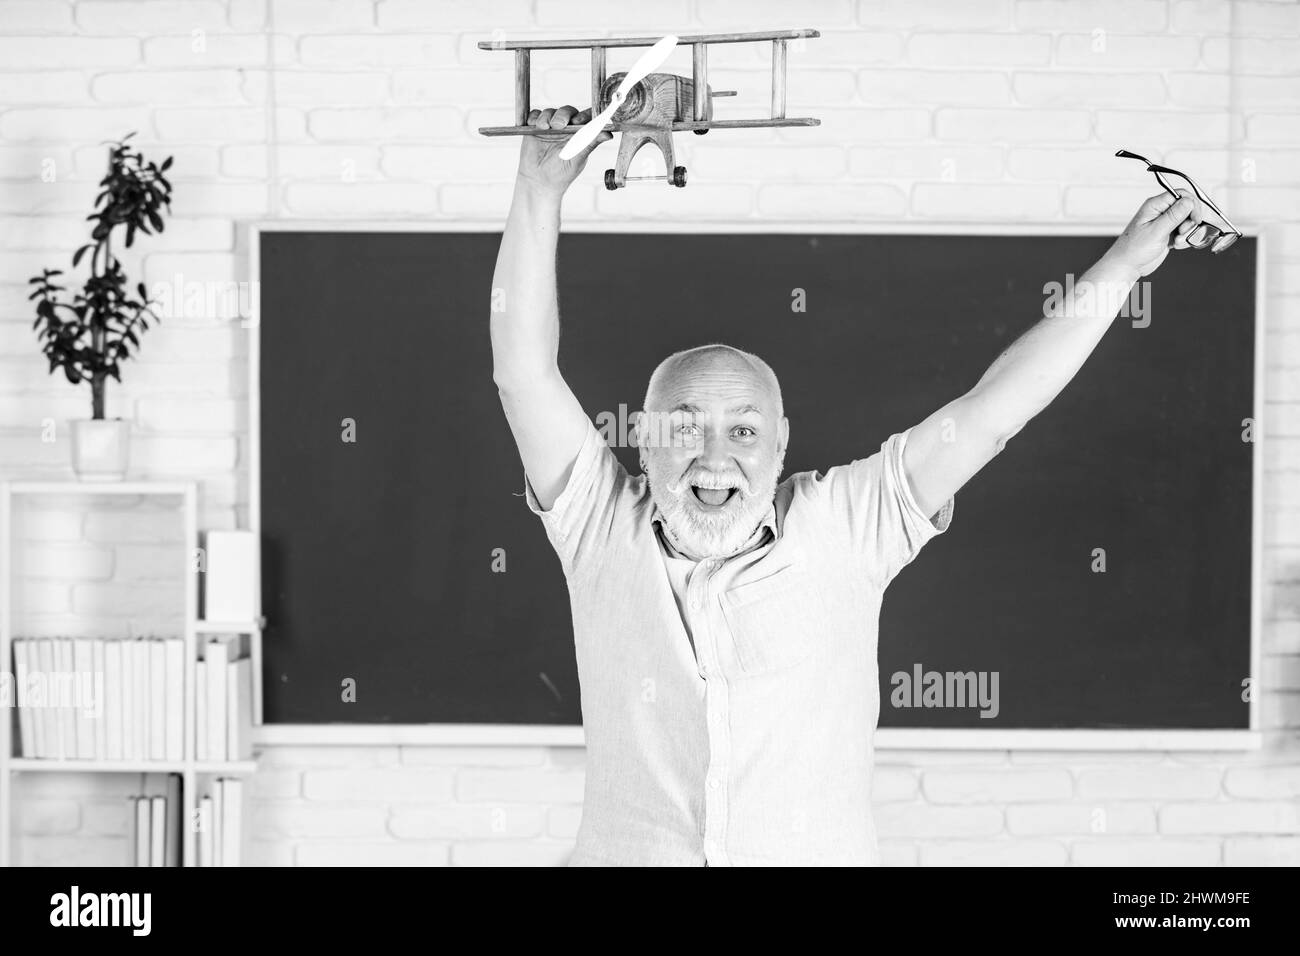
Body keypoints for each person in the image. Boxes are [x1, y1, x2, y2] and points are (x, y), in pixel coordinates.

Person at [489, 105, 1204, 866]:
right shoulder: (599, 526)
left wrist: (1122, 266)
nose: (713, 456)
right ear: (642, 438)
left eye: (744, 429)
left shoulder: (845, 526)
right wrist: (538, 191)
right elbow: (522, 372)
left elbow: (993, 414)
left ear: (782, 442)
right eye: (685, 425)